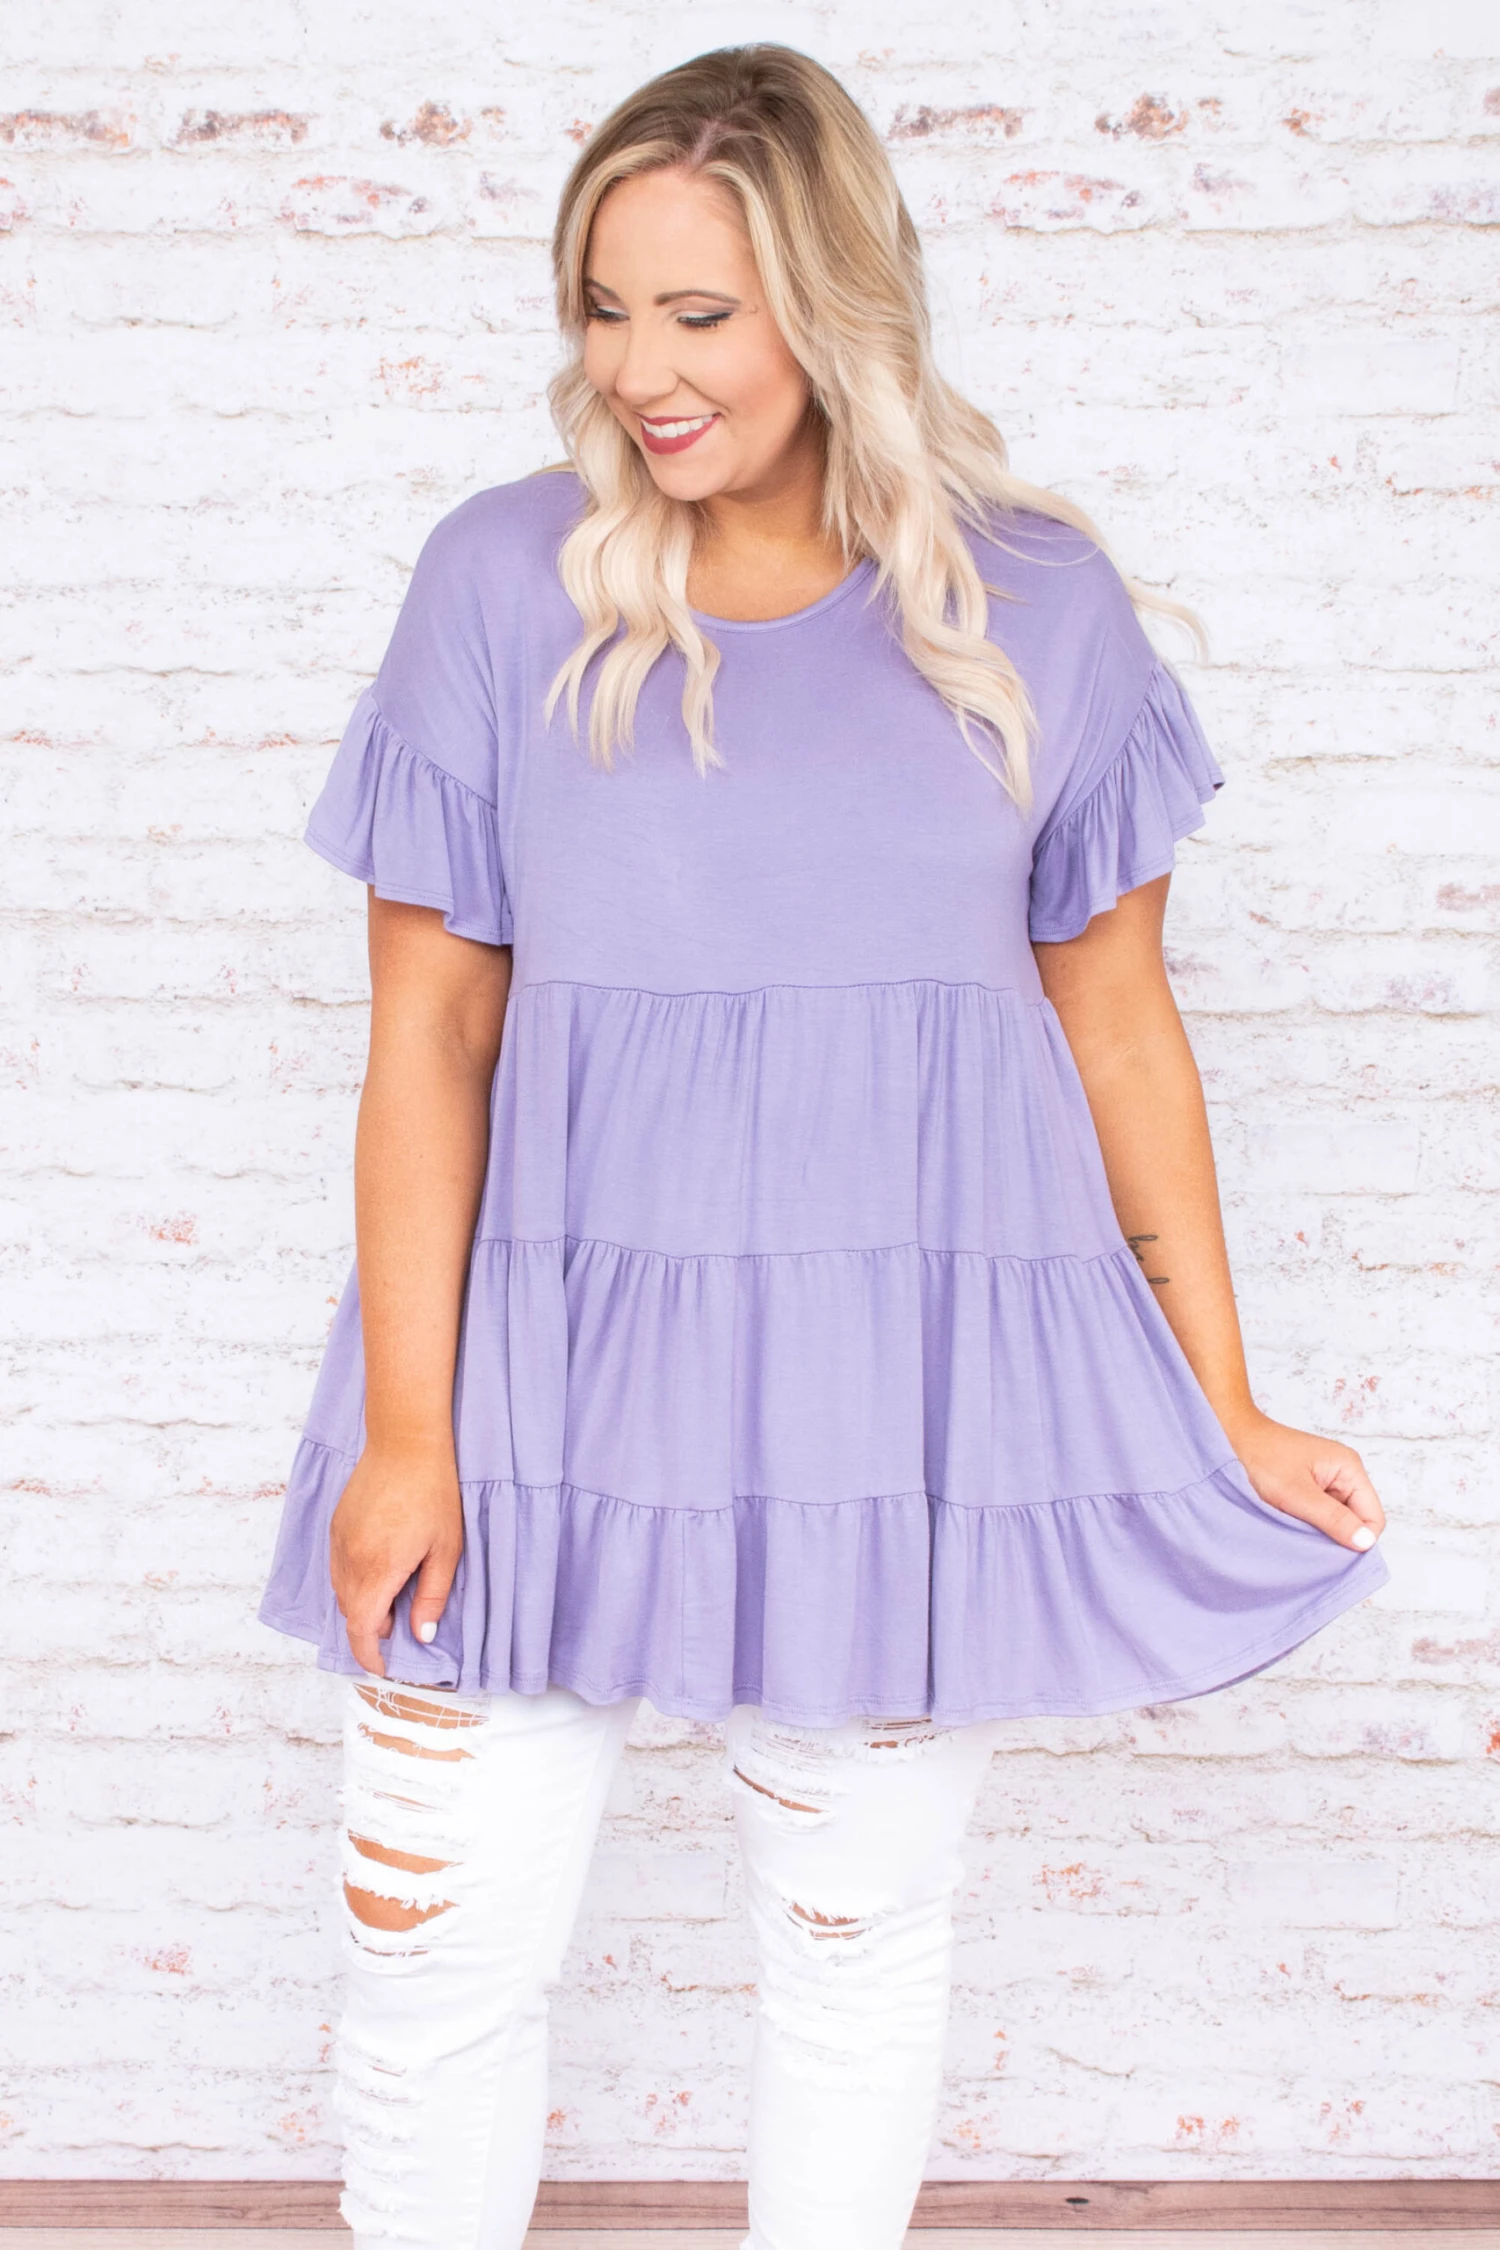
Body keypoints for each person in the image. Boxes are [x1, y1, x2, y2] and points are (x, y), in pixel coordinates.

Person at [259, 43, 1390, 2250]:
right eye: (606, 309)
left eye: (701, 313)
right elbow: (433, 1031)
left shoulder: (1038, 601)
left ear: (837, 303)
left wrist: (1223, 1400)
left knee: (855, 1965)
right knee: (431, 1969)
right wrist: (407, 1432)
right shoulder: (500, 578)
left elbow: (1119, 1030)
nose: (640, 372)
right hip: (528, 1373)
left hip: (895, 1386)